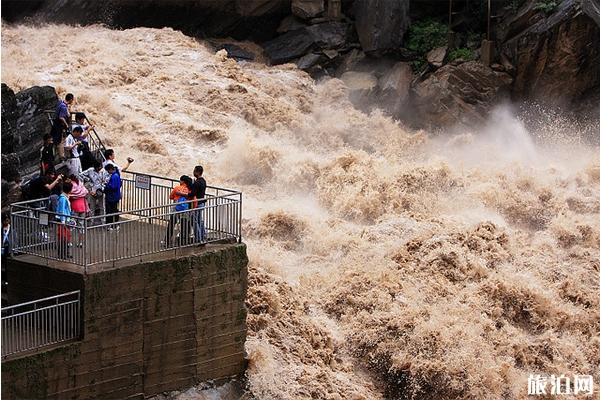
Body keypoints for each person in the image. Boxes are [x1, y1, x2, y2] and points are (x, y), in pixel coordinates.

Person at [166, 175, 192, 247]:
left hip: (176, 209)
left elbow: (171, 197)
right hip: (184, 210)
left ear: (182, 181)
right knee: (184, 224)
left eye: (180, 180)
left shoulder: (177, 188)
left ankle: (167, 241)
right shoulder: (188, 190)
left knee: (171, 224)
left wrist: (176, 197)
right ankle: (183, 241)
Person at [80, 161, 106, 225]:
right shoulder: (90, 170)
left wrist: (102, 188)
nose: (99, 168)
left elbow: (105, 181)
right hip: (92, 191)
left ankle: (103, 221)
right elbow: (80, 174)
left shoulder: (103, 172)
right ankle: (91, 222)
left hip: (100, 191)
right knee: (92, 207)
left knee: (102, 207)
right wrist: (88, 180)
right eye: (98, 167)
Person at [51, 93, 74, 160]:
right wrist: (66, 125)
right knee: (60, 141)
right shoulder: (64, 107)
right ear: (71, 99)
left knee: (55, 139)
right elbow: (61, 117)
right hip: (59, 125)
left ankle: (56, 155)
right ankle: (62, 156)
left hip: (55, 124)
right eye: (72, 100)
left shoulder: (60, 103)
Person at [189, 165, 207, 243]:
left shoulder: (197, 183)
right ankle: (203, 236)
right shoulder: (203, 181)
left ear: (197, 172)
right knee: (199, 220)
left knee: (194, 221)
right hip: (202, 203)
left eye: (194, 170)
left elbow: (192, 193)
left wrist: (183, 194)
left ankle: (199, 239)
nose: (193, 172)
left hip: (197, 204)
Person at [56, 181, 74, 259]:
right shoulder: (63, 198)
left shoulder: (65, 197)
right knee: (63, 238)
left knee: (66, 238)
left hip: (66, 219)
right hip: (62, 220)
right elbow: (62, 210)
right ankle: (62, 254)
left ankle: (66, 253)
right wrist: (63, 220)